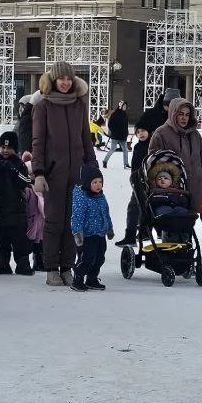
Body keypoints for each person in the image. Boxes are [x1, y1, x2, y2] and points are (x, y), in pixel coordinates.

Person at [32, 61, 96, 287]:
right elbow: (38, 141)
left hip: (77, 172)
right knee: (54, 221)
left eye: (69, 79)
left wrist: (92, 167)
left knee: (73, 221)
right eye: (62, 78)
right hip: (53, 173)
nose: (66, 83)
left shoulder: (79, 104)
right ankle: (51, 267)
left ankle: (67, 266)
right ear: (53, 80)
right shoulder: (43, 106)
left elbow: (86, 138)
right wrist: (39, 172)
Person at [0, 131, 33, 275]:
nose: (5, 150)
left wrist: (13, 170)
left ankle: (23, 264)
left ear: (15, 149)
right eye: (3, 147)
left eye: (9, 148)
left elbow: (26, 181)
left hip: (17, 211)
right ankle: (2, 263)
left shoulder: (20, 164)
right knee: (0, 239)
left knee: (20, 239)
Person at [149, 97, 202, 205]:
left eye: (187, 115)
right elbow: (153, 163)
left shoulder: (195, 134)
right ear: (173, 114)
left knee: (194, 215)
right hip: (173, 193)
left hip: (196, 189)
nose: (184, 118)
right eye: (181, 114)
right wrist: (165, 185)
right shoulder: (161, 134)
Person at [70, 163, 112, 292]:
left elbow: (106, 214)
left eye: (100, 182)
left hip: (100, 234)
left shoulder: (101, 197)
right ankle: (78, 279)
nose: (98, 185)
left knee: (99, 258)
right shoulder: (82, 198)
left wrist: (109, 228)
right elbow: (77, 217)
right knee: (86, 259)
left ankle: (92, 279)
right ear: (87, 183)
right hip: (87, 236)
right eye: (94, 182)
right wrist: (77, 233)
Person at [116, 125, 150, 247]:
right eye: (138, 132)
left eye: (144, 130)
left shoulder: (152, 146)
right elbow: (134, 165)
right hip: (138, 181)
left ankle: (132, 236)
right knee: (138, 207)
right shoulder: (137, 147)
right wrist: (134, 180)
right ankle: (142, 233)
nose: (141, 134)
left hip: (149, 182)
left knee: (136, 208)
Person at [103, 102, 130, 168]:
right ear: (120, 106)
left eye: (125, 106)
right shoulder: (114, 114)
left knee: (125, 150)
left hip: (123, 136)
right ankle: (105, 161)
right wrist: (114, 131)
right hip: (115, 136)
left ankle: (126, 164)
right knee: (112, 149)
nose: (125, 107)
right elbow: (110, 124)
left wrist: (126, 132)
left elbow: (126, 125)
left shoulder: (125, 115)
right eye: (124, 106)